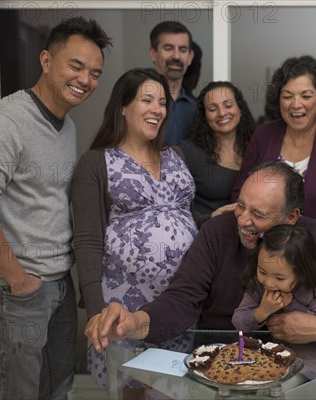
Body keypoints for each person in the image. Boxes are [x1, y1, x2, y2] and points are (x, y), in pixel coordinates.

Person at [0, 17, 111, 400]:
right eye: (75, 66)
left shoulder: (66, 125)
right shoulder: (6, 120)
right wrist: (20, 282)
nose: (85, 79)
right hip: (18, 290)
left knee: (58, 389)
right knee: (20, 393)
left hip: (58, 283)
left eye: (94, 73)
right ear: (45, 60)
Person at [85, 160, 316, 353]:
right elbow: (180, 301)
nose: (243, 220)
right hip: (222, 357)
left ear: (291, 218)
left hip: (300, 368)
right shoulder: (218, 231)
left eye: (258, 214)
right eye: (241, 205)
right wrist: (136, 322)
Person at [71, 68, 198, 385]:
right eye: (147, 100)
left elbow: (180, 219)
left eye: (162, 102)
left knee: (176, 387)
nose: (157, 109)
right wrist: (97, 312)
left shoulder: (175, 155)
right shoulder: (96, 163)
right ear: (123, 107)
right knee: (131, 388)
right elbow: (87, 241)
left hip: (178, 306)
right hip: (122, 308)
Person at [232, 55, 316, 237]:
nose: (296, 104)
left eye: (306, 96)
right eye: (287, 96)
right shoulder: (263, 134)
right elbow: (239, 192)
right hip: (260, 246)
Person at [232, 224, 316, 332]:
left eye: (280, 278)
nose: (269, 283)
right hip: (278, 354)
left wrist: (291, 305)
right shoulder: (258, 286)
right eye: (262, 272)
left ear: (302, 274)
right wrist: (262, 312)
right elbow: (238, 322)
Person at [175, 81, 255, 227]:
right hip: (208, 232)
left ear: (240, 108)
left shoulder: (257, 147)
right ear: (204, 115)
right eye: (213, 109)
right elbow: (175, 207)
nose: (222, 113)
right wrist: (208, 218)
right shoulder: (188, 152)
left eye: (228, 105)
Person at [149, 21, 196, 145]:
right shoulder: (136, 103)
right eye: (168, 48)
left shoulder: (196, 109)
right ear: (153, 53)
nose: (176, 56)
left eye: (182, 49)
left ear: (190, 57)